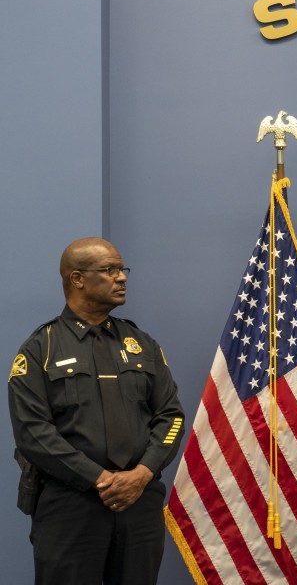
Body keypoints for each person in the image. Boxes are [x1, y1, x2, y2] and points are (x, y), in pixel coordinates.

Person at [8, 238, 185, 585]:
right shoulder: (40, 349)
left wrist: (142, 473)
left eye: (122, 270)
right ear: (77, 279)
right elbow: (33, 433)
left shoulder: (142, 344)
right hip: (71, 506)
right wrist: (102, 480)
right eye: (109, 270)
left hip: (140, 503)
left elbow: (171, 415)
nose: (122, 278)